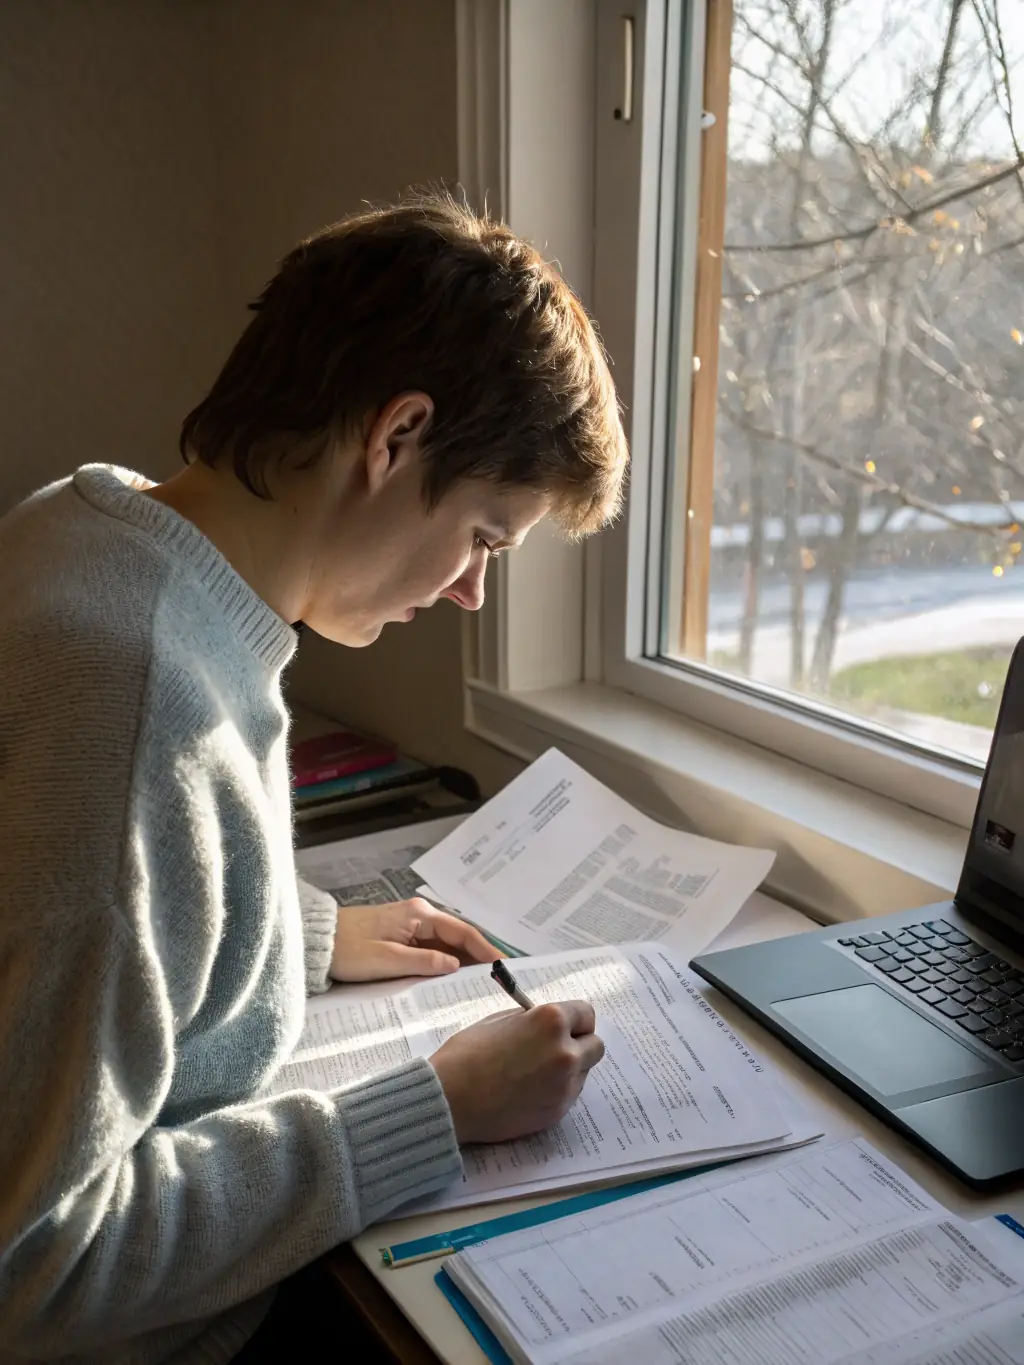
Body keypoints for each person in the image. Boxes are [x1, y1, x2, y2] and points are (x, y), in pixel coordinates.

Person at [0, 192, 628, 1364]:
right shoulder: (138, 698)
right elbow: (33, 1263)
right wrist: (432, 1111)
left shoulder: (92, 529)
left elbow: (73, 915)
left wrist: (295, 932)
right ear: (394, 437)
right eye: (487, 537)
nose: (470, 592)